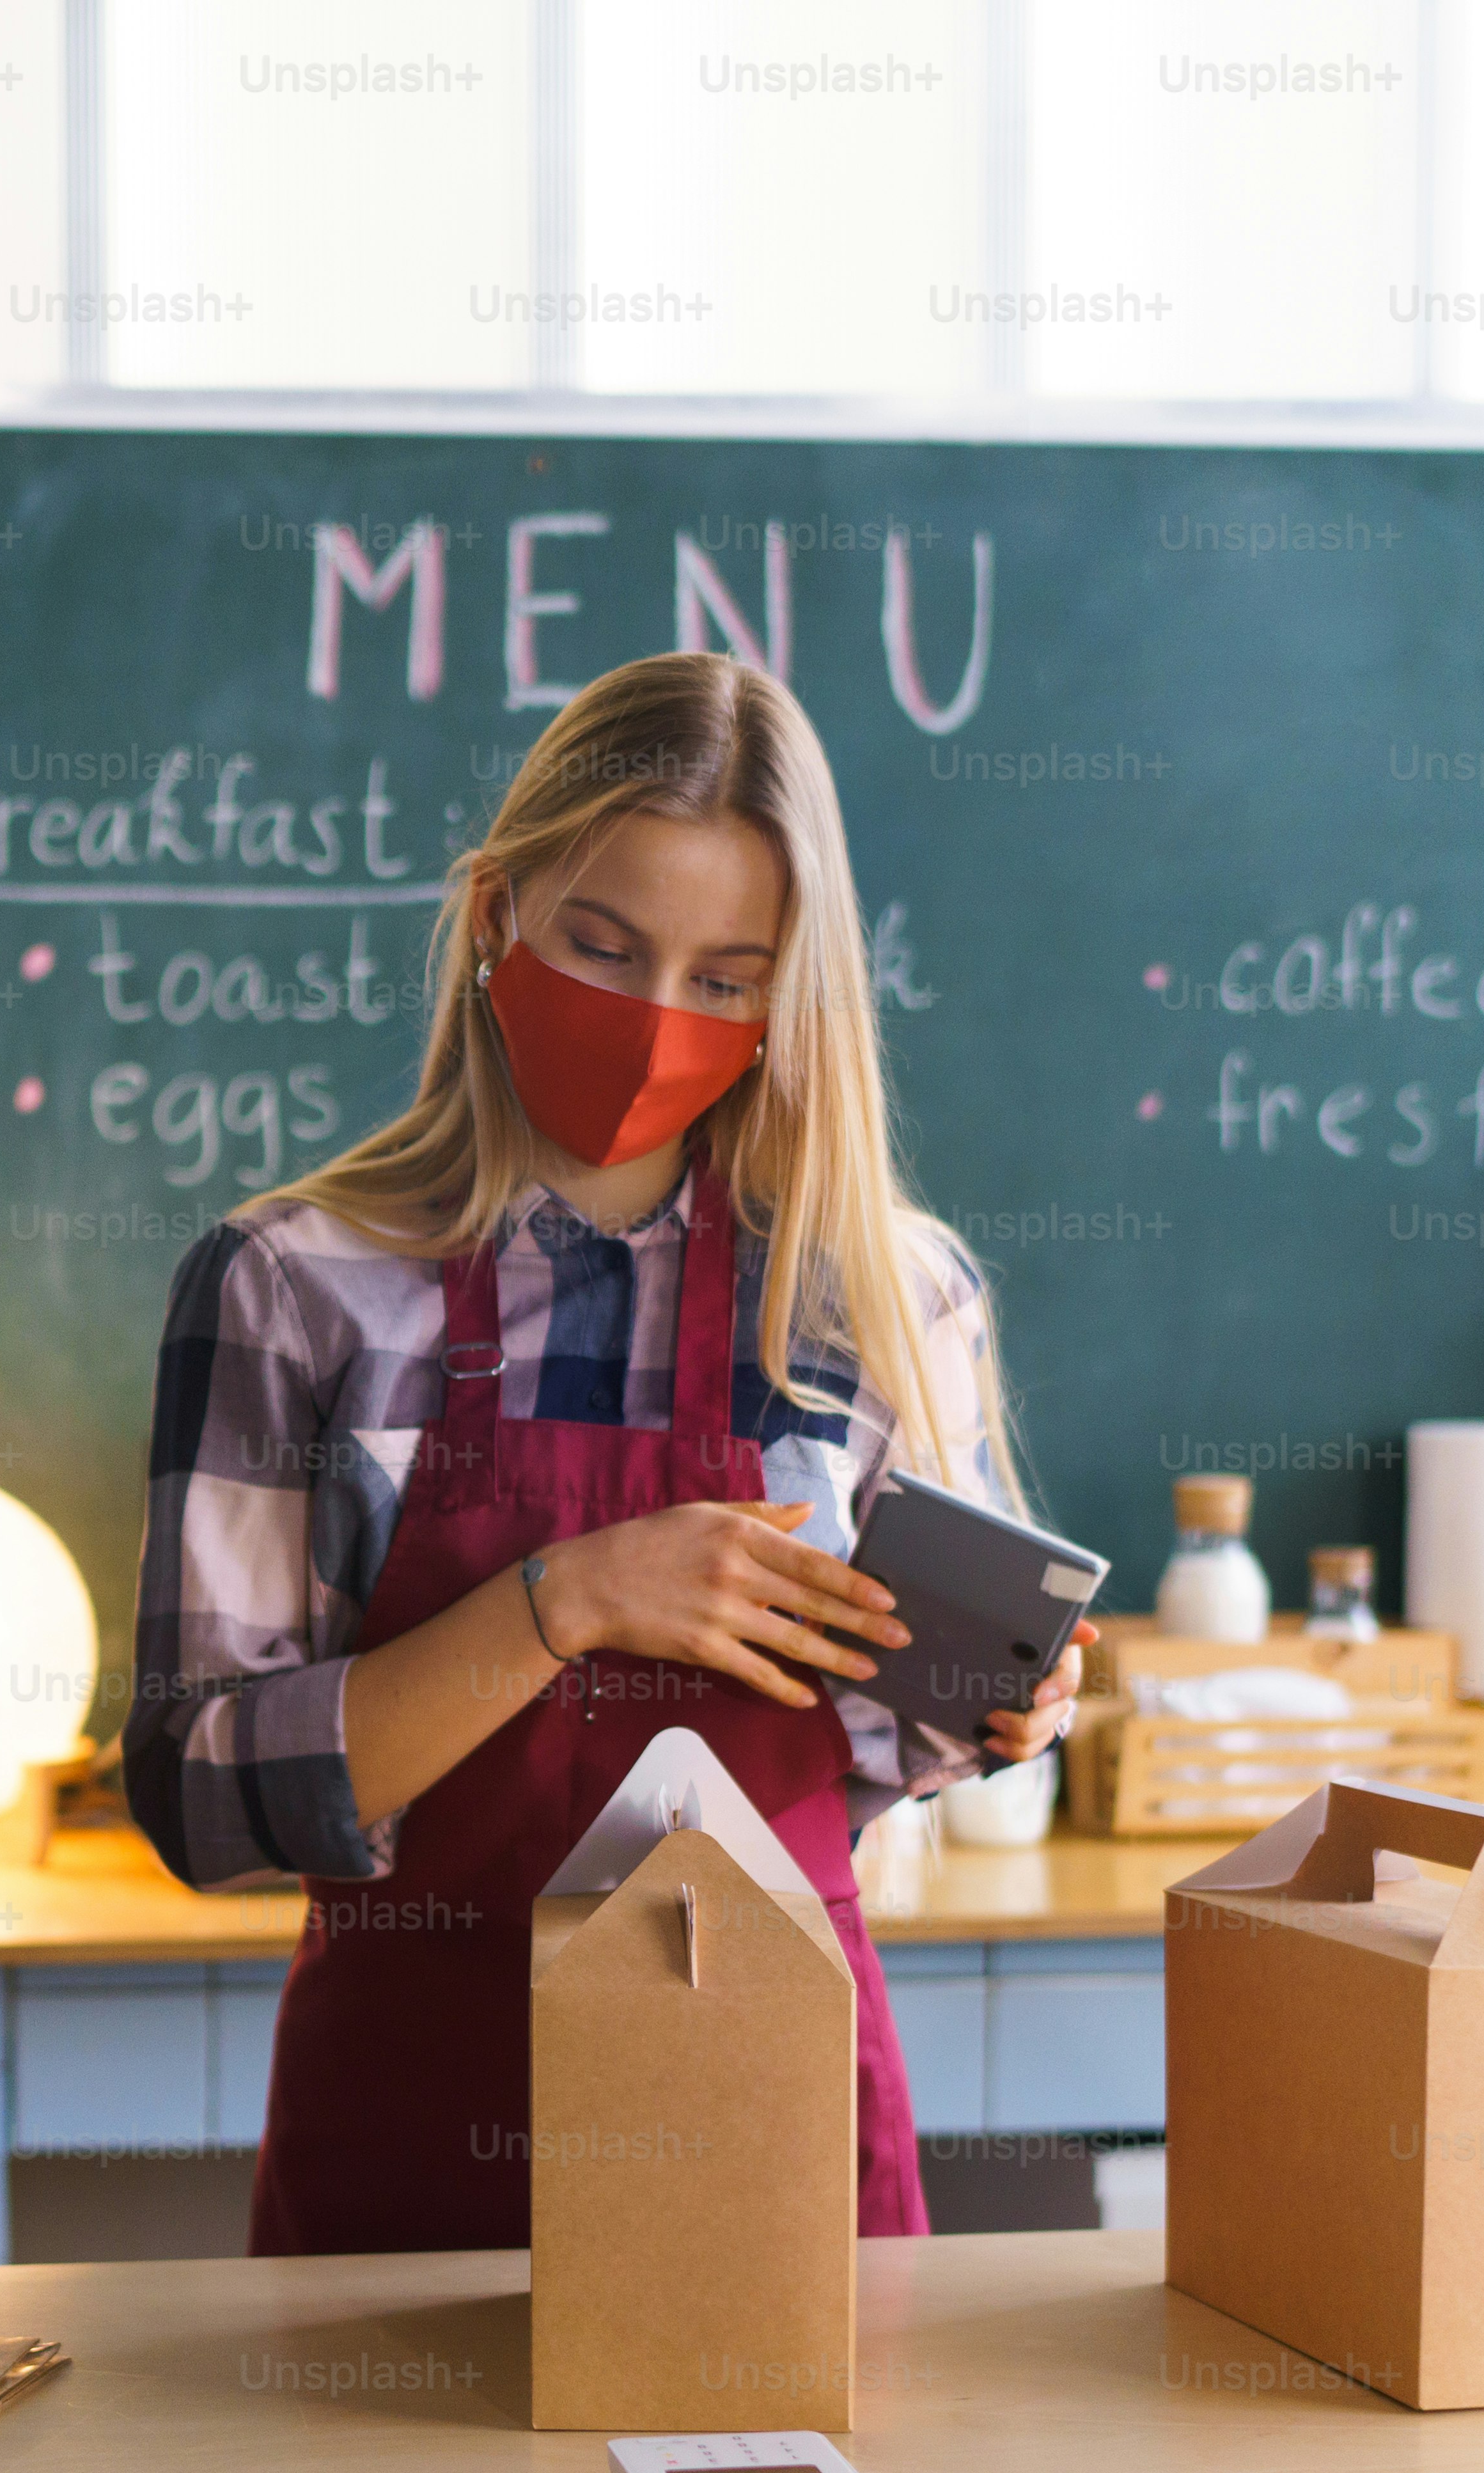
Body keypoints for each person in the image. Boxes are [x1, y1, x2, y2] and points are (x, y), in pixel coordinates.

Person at [121, 652, 1086, 2256]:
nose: (657, 1017)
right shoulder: (291, 1284)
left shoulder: (890, 1297)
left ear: (793, 998)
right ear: (498, 913)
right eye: (603, 944)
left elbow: (881, 1747)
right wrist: (563, 1600)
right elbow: (197, 1801)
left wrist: (996, 1706)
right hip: (417, 2126)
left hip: (769, 2126)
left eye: (726, 976)